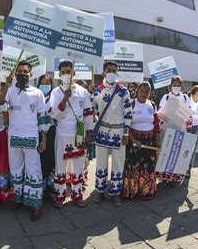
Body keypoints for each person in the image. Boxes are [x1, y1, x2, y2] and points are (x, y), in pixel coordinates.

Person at [0, 60, 50, 221]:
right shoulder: (10, 91)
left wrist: (44, 138)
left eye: (25, 72)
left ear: (31, 74)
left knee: (33, 170)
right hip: (13, 137)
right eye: (19, 71)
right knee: (16, 170)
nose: (22, 74)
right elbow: (0, 107)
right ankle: (19, 199)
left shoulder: (37, 93)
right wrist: (6, 85)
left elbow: (43, 117)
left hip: (31, 137)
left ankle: (36, 205)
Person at [49, 61, 93, 208]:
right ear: (59, 74)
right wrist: (64, 98)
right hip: (62, 133)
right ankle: (60, 196)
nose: (66, 74)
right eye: (63, 72)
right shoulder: (56, 93)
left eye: (69, 71)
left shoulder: (83, 92)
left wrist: (88, 134)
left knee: (78, 166)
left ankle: (77, 195)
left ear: (74, 72)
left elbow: (88, 114)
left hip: (79, 134)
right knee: (60, 166)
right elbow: (53, 114)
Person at [91, 61, 132, 207]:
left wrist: (126, 133)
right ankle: (100, 190)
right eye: (109, 70)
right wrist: (92, 98)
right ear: (103, 72)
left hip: (118, 131)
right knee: (101, 162)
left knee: (118, 163)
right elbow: (93, 110)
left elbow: (128, 113)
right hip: (102, 130)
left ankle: (115, 193)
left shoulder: (123, 91)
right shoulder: (97, 90)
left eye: (114, 70)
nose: (112, 72)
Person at [123, 82, 160, 200]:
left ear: (150, 93)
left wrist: (158, 141)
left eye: (146, 92)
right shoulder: (131, 104)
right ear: (137, 91)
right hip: (134, 141)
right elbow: (126, 125)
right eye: (142, 91)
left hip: (149, 141)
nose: (144, 94)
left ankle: (146, 192)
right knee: (133, 166)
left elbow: (156, 125)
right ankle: (132, 192)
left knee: (148, 166)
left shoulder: (152, 105)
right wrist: (133, 140)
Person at [37, 74, 56, 196]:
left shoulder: (54, 98)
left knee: (51, 158)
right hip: (38, 133)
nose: (45, 85)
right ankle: (41, 186)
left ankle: (50, 184)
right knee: (40, 159)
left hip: (52, 132)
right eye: (42, 83)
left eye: (47, 83)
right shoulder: (36, 97)